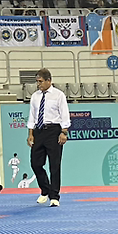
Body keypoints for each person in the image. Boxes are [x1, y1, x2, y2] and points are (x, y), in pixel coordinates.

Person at [26, 68, 69, 207]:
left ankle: (54, 196)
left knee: (54, 165)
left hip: (53, 130)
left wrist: (64, 132)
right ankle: (45, 189)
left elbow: (64, 114)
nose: (38, 84)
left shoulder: (58, 95)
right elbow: (32, 115)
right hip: (38, 131)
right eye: (37, 81)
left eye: (40, 81)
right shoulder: (35, 96)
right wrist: (30, 134)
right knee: (35, 163)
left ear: (49, 80)